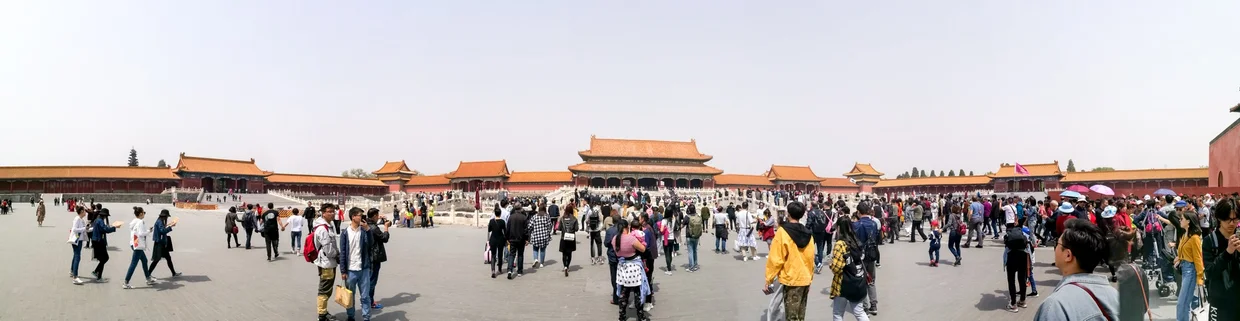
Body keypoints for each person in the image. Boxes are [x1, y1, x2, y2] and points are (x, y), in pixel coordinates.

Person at [1033, 219, 1119, 321]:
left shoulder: (1056, 306)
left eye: (1057, 243)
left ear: (1068, 255)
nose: (1055, 248)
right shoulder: (1115, 295)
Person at [763, 201, 815, 321]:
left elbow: (776, 259)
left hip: (791, 279)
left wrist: (769, 279)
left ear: (788, 214)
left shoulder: (783, 232)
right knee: (800, 315)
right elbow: (810, 258)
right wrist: (809, 278)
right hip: (804, 278)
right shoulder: (808, 234)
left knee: (791, 316)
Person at [1203, 197, 1239, 321]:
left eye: (1235, 219)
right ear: (1219, 218)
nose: (1231, 223)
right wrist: (1228, 252)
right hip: (1219, 301)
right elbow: (1210, 272)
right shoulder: (1210, 241)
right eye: (1227, 219)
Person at [829, 214, 869, 321]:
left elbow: (836, 268)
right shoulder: (856, 240)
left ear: (839, 228)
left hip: (844, 282)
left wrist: (831, 264)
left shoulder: (840, 244)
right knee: (859, 312)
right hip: (857, 279)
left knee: (838, 313)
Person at [338, 207, 374, 321]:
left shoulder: (364, 231)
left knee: (365, 296)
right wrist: (343, 271)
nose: (362, 218)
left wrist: (368, 230)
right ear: (353, 217)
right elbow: (343, 252)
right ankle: (351, 316)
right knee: (350, 296)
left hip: (363, 268)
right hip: (350, 270)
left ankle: (366, 317)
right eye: (360, 215)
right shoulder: (345, 233)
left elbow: (371, 244)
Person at [615, 219, 650, 321]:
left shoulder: (615, 239)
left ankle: (622, 315)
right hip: (634, 268)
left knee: (624, 292)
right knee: (637, 293)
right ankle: (640, 315)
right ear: (627, 227)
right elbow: (643, 249)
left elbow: (617, 253)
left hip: (622, 267)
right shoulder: (631, 239)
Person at [1173, 211, 1204, 321]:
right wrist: (1179, 257)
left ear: (1188, 221)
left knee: (1183, 303)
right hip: (1185, 268)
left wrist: (1200, 277)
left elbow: (1198, 258)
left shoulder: (1194, 238)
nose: (1180, 220)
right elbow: (1184, 251)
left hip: (1190, 270)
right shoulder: (1185, 234)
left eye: (1182, 219)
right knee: (1185, 302)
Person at [312, 203, 340, 321]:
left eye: (333, 211)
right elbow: (328, 250)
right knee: (325, 288)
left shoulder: (329, 225)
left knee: (327, 287)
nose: (332, 213)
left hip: (328, 261)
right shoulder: (323, 229)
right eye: (329, 211)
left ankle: (323, 311)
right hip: (326, 263)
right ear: (323, 213)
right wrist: (338, 255)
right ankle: (322, 314)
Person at [854, 201, 882, 315]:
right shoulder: (874, 223)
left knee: (862, 281)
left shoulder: (856, 225)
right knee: (871, 280)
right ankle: (874, 305)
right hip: (872, 254)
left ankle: (865, 307)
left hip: (861, 255)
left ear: (859, 212)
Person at [122, 207, 156, 289]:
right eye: (144, 212)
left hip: (134, 243)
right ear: (141, 213)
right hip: (138, 245)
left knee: (144, 260)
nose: (144, 214)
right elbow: (141, 233)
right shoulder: (140, 222)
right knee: (134, 264)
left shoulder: (134, 221)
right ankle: (126, 282)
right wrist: (149, 231)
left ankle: (148, 278)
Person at [1002, 222, 1030, 312]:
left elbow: (1006, 249)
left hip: (1011, 257)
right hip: (1022, 256)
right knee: (1022, 279)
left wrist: (1004, 263)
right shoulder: (1023, 234)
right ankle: (1022, 300)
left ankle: (1013, 304)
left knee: (1011, 280)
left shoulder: (1008, 235)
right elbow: (1028, 247)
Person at [366, 208, 390, 311]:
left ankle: (367, 300)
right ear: (375, 216)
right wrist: (386, 228)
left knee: (368, 279)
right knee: (372, 280)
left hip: (367, 255)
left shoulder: (366, 224)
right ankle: (369, 302)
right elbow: (384, 238)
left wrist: (380, 220)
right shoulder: (374, 228)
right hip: (374, 256)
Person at [90, 208, 121, 282]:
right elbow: (104, 229)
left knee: (103, 259)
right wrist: (114, 227)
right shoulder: (100, 221)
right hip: (99, 241)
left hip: (96, 241)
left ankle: (97, 273)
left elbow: (103, 228)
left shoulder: (97, 220)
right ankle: (98, 275)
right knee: (105, 258)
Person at [148, 209, 181, 278]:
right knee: (156, 260)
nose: (167, 218)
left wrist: (169, 224)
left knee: (168, 258)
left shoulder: (160, 220)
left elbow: (162, 228)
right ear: (164, 216)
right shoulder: (159, 222)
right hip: (160, 243)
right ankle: (148, 274)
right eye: (167, 217)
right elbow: (162, 231)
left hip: (162, 243)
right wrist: (170, 227)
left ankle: (173, 273)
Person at [505, 204, 530, 279]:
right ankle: (519, 271)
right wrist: (527, 239)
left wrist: (507, 238)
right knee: (520, 254)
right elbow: (526, 230)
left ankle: (510, 270)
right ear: (521, 209)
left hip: (512, 239)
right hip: (521, 239)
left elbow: (508, 228)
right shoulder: (524, 218)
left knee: (511, 254)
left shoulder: (511, 217)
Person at [68, 206, 89, 284]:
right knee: (77, 257)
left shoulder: (81, 219)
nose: (85, 212)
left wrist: (90, 229)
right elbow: (74, 229)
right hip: (76, 240)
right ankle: (75, 277)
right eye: (85, 211)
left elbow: (83, 229)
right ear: (82, 211)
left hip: (79, 239)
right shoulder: (77, 219)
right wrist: (84, 229)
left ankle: (72, 271)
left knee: (75, 255)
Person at [487, 207, 507, 278]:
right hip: (500, 239)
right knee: (500, 255)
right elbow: (505, 232)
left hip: (493, 239)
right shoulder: (502, 222)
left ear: (495, 214)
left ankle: (493, 270)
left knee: (493, 255)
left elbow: (489, 230)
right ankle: (500, 269)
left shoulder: (491, 221)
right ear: (500, 214)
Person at [559, 206, 579, 277]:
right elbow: (576, 229)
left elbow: (559, 228)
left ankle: (565, 266)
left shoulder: (562, 218)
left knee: (564, 253)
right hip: (571, 237)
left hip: (563, 237)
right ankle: (567, 266)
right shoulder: (574, 219)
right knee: (569, 253)